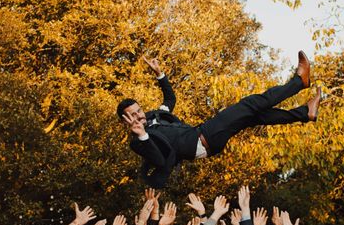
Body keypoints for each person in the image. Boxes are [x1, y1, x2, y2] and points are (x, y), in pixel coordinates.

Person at [117, 55, 321, 188]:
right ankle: (298, 82)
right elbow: (160, 161)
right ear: (126, 121)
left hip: (205, 135)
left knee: (254, 116)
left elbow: (170, 100)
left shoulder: (154, 115)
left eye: (139, 111)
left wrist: (160, 74)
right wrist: (142, 134)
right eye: (132, 115)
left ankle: (305, 113)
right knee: (250, 104)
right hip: (201, 139)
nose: (139, 116)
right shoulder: (138, 141)